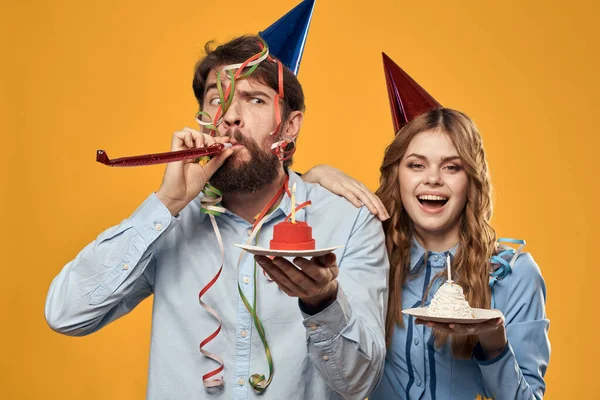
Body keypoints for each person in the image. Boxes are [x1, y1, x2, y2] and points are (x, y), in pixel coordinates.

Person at [44, 34, 389, 400]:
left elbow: (360, 383)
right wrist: (166, 204)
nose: (229, 116)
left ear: (290, 126)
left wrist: (323, 301)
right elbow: (67, 314)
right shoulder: (170, 224)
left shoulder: (349, 221)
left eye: (254, 99)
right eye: (215, 99)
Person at [302, 55, 550, 399]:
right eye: (416, 165)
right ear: (397, 175)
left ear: (471, 181)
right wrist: (313, 176)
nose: (432, 179)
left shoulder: (515, 275)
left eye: (451, 167)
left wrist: (494, 344)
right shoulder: (366, 255)